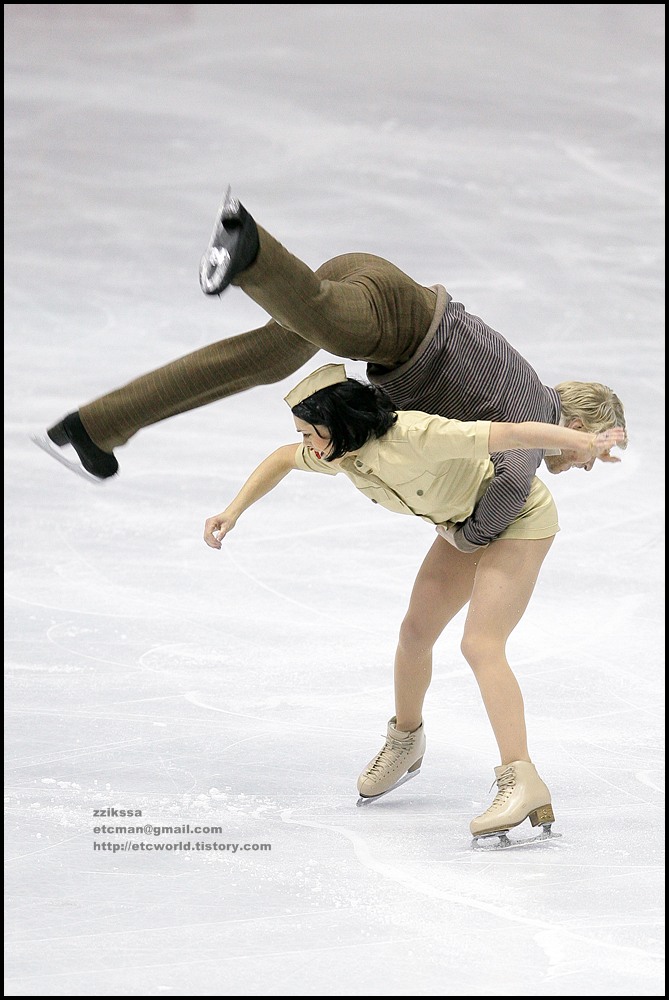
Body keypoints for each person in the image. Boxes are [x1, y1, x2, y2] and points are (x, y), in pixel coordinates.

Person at [40, 188, 627, 551]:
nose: (581, 465)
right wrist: (461, 536)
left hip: (379, 297)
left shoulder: (526, 391)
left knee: (263, 360)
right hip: (395, 320)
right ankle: (251, 247)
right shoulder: (536, 415)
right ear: (584, 421)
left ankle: (98, 426)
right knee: (319, 317)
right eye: (589, 454)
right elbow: (504, 495)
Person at [202, 362, 626, 842]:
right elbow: (282, 458)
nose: (307, 445)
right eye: (303, 435)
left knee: (481, 644)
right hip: (463, 527)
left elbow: (510, 433)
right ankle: (406, 740)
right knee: (414, 635)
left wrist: (583, 444)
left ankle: (523, 778)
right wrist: (231, 511)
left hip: (520, 517)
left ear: (337, 421)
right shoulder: (340, 452)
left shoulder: (416, 434)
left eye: (309, 433)